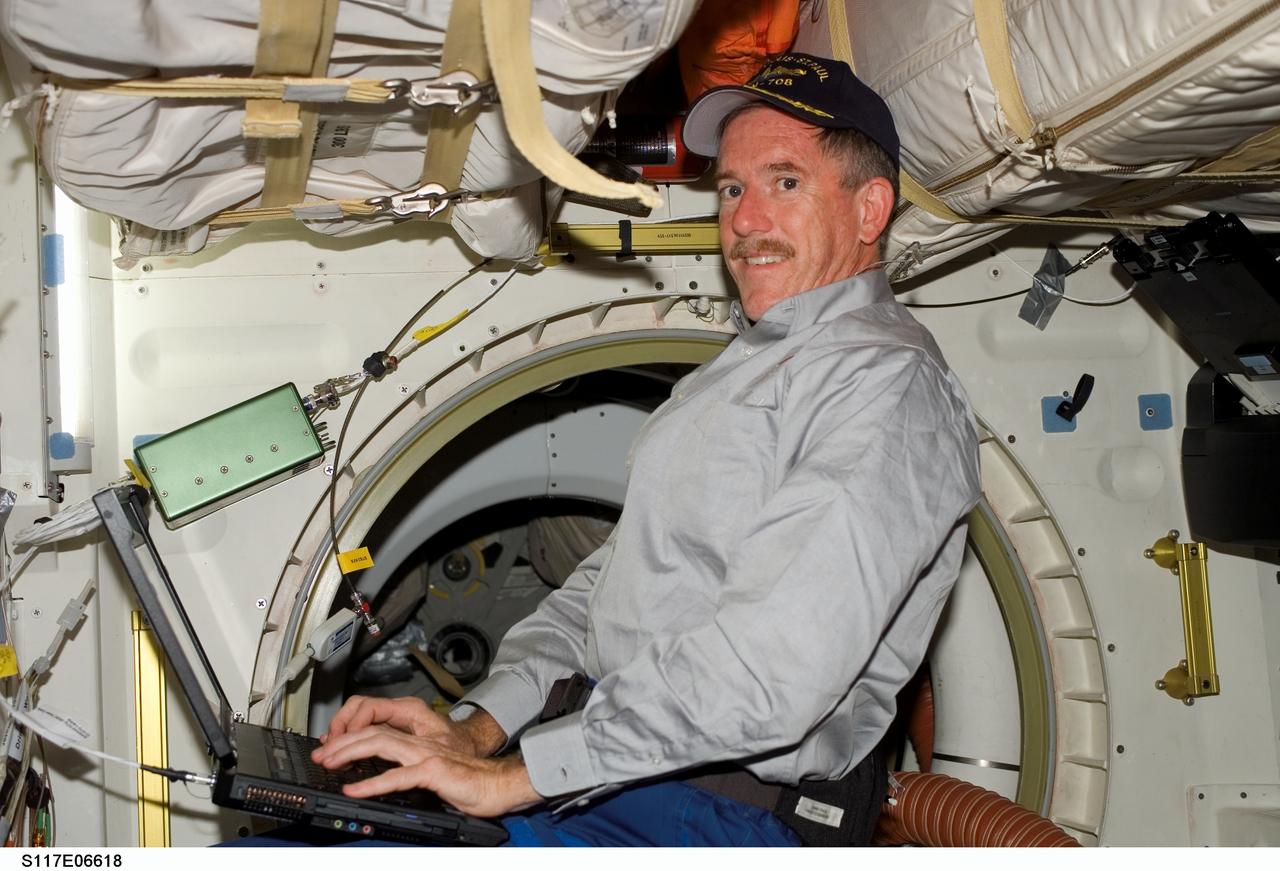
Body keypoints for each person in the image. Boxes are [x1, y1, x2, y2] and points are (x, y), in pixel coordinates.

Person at [305, 52, 981, 847]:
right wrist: (478, 729)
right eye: (732, 188)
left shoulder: (886, 386)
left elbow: (769, 673)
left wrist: (515, 778)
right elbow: (611, 587)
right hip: (621, 781)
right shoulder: (740, 371)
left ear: (870, 210)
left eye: (784, 182)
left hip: (720, 816)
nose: (746, 219)